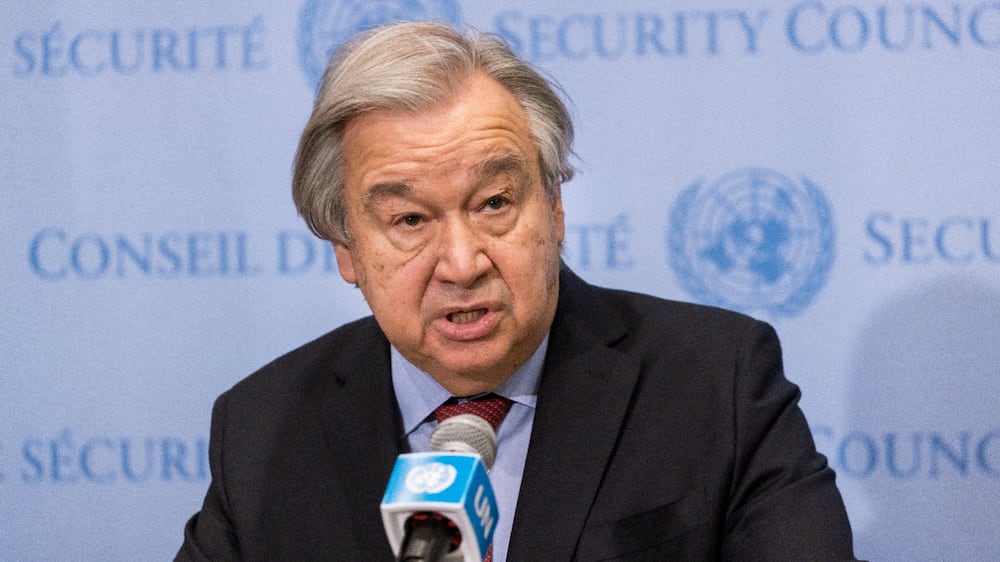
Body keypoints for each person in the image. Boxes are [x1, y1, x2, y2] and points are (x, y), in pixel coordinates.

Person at [177, 21, 856, 561]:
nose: (463, 261)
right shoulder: (262, 430)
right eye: (410, 219)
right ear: (347, 249)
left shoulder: (718, 384)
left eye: (496, 203)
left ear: (554, 210)